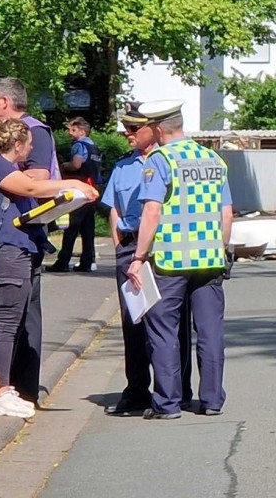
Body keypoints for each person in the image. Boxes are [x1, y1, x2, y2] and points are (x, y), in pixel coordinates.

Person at [0, 119, 98, 417]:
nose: (31, 149)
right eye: (28, 144)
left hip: (16, 251)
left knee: (10, 322)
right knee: (6, 322)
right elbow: (32, 186)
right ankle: (0, 390)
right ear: (17, 144)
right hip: (9, 252)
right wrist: (74, 182)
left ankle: (2, 386)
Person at [128, 101, 232, 419]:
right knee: (210, 330)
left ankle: (168, 404)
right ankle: (212, 400)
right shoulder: (213, 158)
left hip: (170, 262)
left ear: (158, 129)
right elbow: (227, 214)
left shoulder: (160, 160)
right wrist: (222, 249)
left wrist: (138, 257)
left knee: (163, 332)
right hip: (210, 259)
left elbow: (152, 211)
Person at [101, 107, 191, 416]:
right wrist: (120, 248)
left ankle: (178, 391)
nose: (127, 133)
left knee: (172, 324)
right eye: (125, 127)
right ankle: (136, 390)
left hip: (164, 249)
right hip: (131, 248)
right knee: (134, 322)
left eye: (133, 128)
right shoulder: (123, 167)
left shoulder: (171, 161)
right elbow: (113, 208)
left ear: (153, 129)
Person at [0, 77, 65, 404]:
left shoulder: (35, 132)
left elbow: (40, 178)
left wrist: (6, 180)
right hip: (5, 238)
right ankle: (2, 382)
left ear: (6, 102)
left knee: (22, 315)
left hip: (23, 236)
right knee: (2, 313)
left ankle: (22, 387)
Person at [50, 117, 100, 273]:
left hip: (79, 190)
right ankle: (87, 261)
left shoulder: (79, 146)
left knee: (72, 226)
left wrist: (64, 165)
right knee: (88, 228)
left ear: (81, 131)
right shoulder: (95, 148)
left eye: (72, 130)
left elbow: (76, 164)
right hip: (93, 190)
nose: (68, 133)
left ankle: (63, 261)